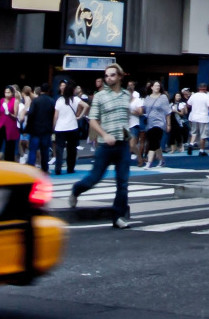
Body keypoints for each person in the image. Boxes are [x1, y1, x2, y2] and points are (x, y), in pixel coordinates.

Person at [70, 64, 137, 228]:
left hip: (122, 144)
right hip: (105, 145)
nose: (109, 78)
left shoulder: (126, 95)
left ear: (120, 76)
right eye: (107, 76)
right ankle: (77, 190)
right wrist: (104, 135)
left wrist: (128, 135)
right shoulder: (99, 96)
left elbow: (124, 117)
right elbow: (92, 120)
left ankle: (118, 217)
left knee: (123, 183)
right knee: (94, 178)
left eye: (112, 75)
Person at [26, 80, 57, 173]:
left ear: (40, 90)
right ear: (48, 90)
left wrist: (28, 127)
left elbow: (30, 114)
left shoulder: (35, 101)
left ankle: (30, 168)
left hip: (35, 129)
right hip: (47, 129)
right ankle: (45, 168)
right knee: (45, 151)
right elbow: (54, 115)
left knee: (33, 150)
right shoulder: (52, 101)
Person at [53, 79, 82, 174]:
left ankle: (58, 168)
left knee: (59, 149)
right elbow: (86, 106)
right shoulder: (75, 99)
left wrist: (53, 127)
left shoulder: (59, 100)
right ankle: (70, 168)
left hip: (60, 127)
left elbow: (56, 116)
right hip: (72, 126)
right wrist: (79, 116)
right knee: (72, 149)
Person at [141, 82, 170, 169]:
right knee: (155, 142)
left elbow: (167, 111)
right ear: (151, 87)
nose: (157, 87)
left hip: (159, 122)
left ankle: (149, 162)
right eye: (156, 85)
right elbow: (145, 110)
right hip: (150, 122)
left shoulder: (163, 97)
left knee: (153, 142)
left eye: (159, 85)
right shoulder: (147, 98)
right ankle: (161, 160)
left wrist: (168, 124)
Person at [0, 85, 20, 161]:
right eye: (5, 92)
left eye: (8, 92)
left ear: (12, 93)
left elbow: (15, 115)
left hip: (10, 125)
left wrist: (9, 114)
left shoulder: (15, 101)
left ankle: (9, 161)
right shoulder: (1, 100)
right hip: (1, 124)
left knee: (9, 145)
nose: (7, 94)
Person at [187, 83, 209, 157]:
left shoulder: (193, 96)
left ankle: (191, 144)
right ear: (205, 88)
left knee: (194, 132)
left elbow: (188, 104)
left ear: (198, 88)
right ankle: (201, 150)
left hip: (194, 117)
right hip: (204, 117)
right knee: (203, 135)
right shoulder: (207, 96)